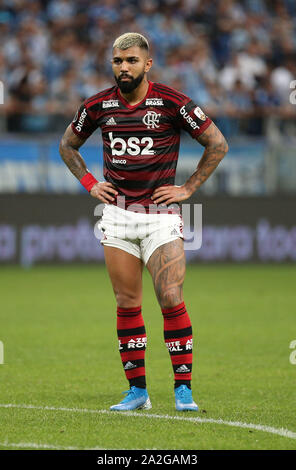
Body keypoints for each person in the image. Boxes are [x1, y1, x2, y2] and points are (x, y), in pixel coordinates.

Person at [59, 32, 228, 412]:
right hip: (116, 214)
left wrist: (187, 188)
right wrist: (89, 182)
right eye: (118, 61)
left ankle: (183, 390)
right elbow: (67, 145)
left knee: (170, 297)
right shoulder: (98, 105)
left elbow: (217, 144)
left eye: (131, 61)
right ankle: (138, 392)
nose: (123, 67)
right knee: (127, 301)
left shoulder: (173, 103)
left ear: (147, 64)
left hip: (160, 215)